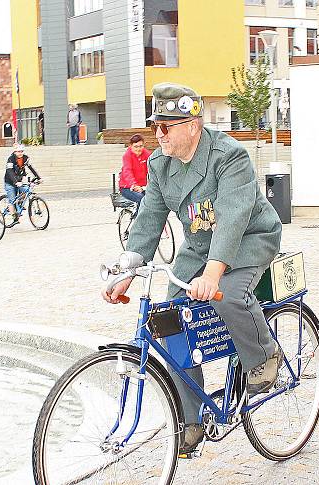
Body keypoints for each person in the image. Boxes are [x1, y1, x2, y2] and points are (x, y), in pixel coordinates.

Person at [102, 82, 283, 455]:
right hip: (199, 247)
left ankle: (264, 356)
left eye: (165, 127)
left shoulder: (229, 156)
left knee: (229, 294)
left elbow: (233, 217)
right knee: (169, 315)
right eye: (155, 126)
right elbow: (149, 218)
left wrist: (213, 275)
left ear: (193, 125)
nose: (158, 134)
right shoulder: (159, 163)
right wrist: (127, 271)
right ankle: (192, 417)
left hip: (250, 239)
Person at [4, 144, 41, 223]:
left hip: (19, 180)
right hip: (10, 181)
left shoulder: (25, 158)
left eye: (21, 151)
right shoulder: (11, 159)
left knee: (26, 191)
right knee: (12, 200)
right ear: (15, 152)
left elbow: (31, 167)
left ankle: (19, 206)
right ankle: (14, 217)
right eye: (18, 151)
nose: (20, 153)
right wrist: (15, 181)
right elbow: (9, 171)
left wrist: (38, 177)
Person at [118, 134, 150, 209]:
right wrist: (134, 185)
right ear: (131, 146)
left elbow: (152, 169)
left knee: (154, 200)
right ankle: (138, 219)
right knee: (141, 199)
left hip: (143, 186)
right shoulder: (127, 155)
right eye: (136, 146)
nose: (138, 149)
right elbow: (127, 171)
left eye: (141, 146)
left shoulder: (147, 154)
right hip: (127, 187)